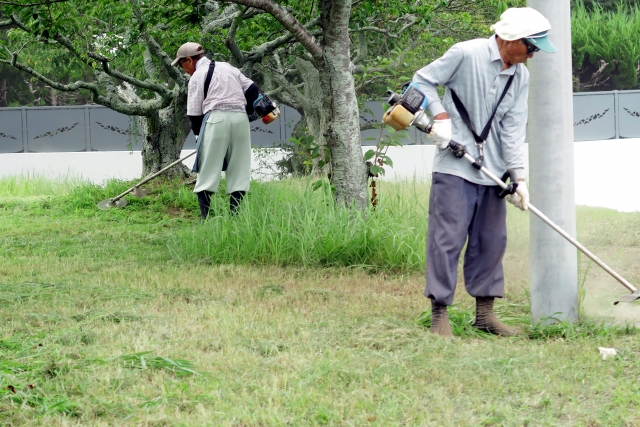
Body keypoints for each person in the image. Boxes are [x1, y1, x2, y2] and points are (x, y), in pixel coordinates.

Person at [412, 8, 557, 337]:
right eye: (531, 47)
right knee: (446, 240)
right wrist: (440, 117)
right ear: (511, 39)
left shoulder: (521, 76)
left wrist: (518, 177)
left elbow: (512, 128)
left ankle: (485, 315)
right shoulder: (466, 53)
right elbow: (421, 81)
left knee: (491, 242)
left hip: (492, 173)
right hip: (454, 167)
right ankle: (439, 317)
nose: (533, 54)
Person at [172, 42, 260, 218]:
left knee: (208, 168)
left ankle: (206, 218)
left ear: (189, 60)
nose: (185, 70)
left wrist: (199, 137)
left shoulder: (197, 77)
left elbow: (195, 114)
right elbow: (252, 89)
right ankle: (235, 217)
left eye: (182, 65)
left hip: (216, 119)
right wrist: (248, 113)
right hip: (240, 119)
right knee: (239, 167)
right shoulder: (227, 67)